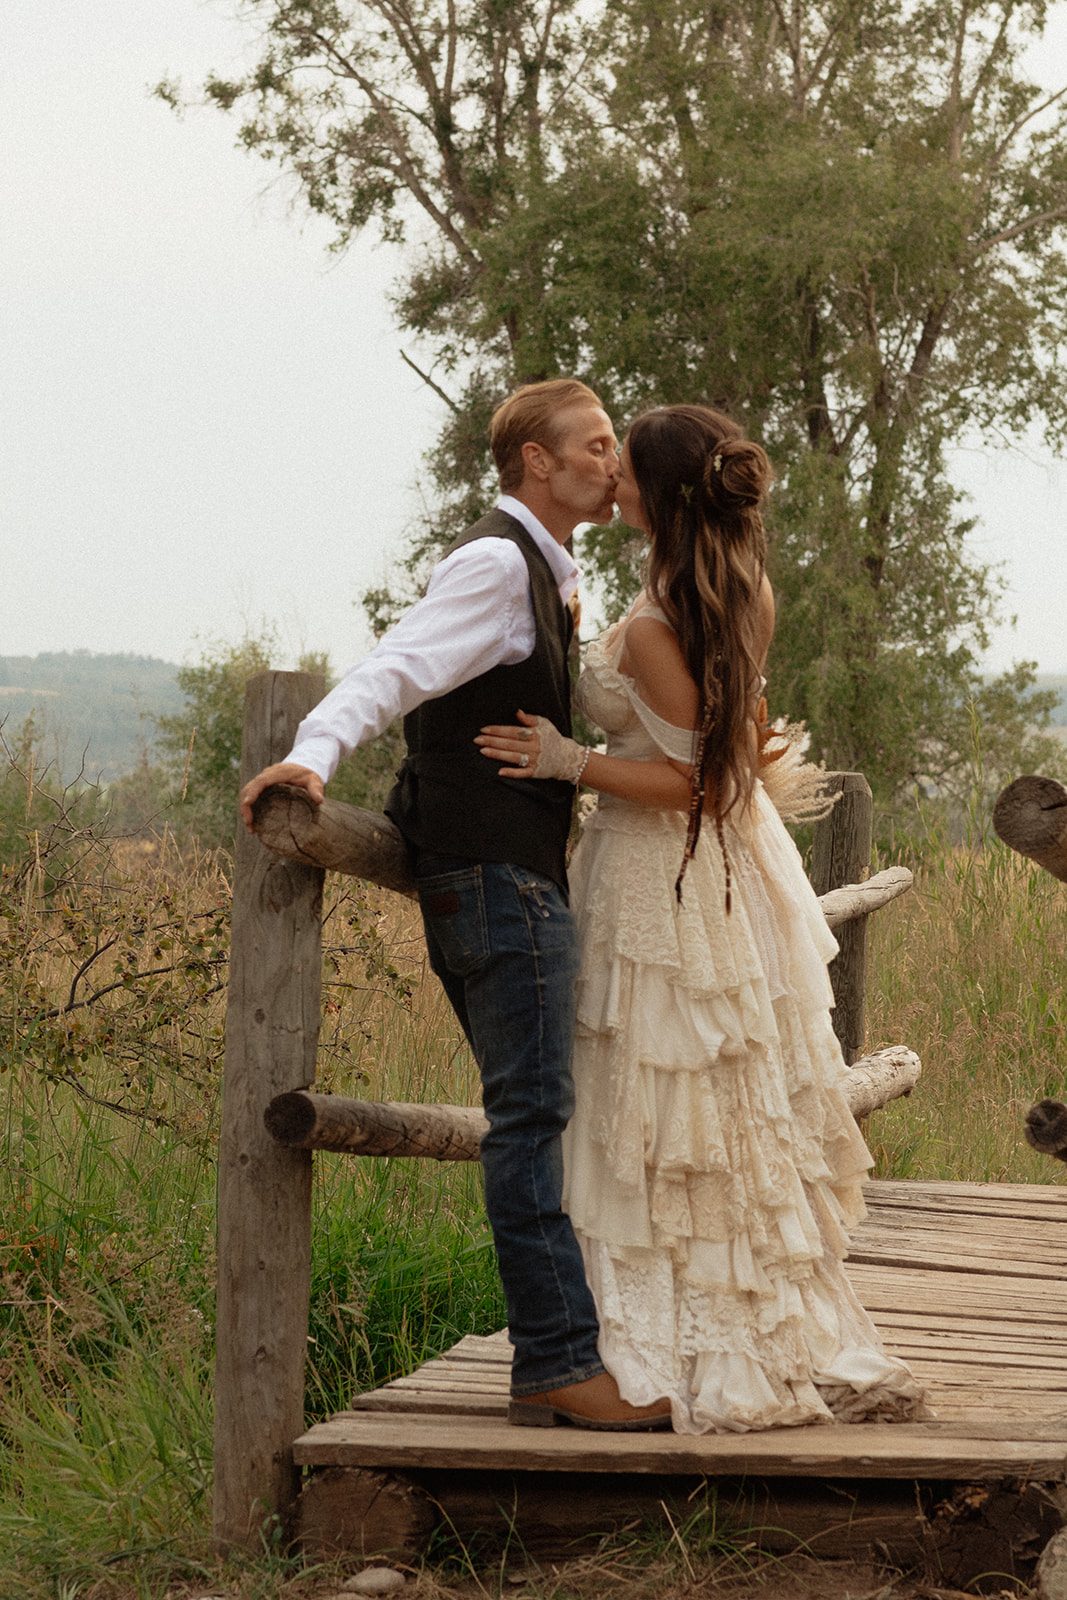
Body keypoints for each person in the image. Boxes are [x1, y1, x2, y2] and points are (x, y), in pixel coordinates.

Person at [475, 403, 927, 1433]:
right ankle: (678, 1318)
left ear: (658, 492)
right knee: (699, 1102)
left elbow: (695, 783)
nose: (612, 480)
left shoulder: (651, 622)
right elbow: (729, 740)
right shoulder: (732, 586)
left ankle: (672, 1339)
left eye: (624, 467)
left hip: (660, 878)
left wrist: (564, 760)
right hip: (713, 870)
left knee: (656, 1106)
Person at [239, 379, 671, 1431]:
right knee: (530, 1122)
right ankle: (558, 1365)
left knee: (533, 1117)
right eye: (596, 445)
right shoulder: (493, 563)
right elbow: (394, 667)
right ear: (537, 461)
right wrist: (310, 754)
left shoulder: (545, 572)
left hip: (503, 876)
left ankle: (562, 1357)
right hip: (496, 880)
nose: (612, 463)